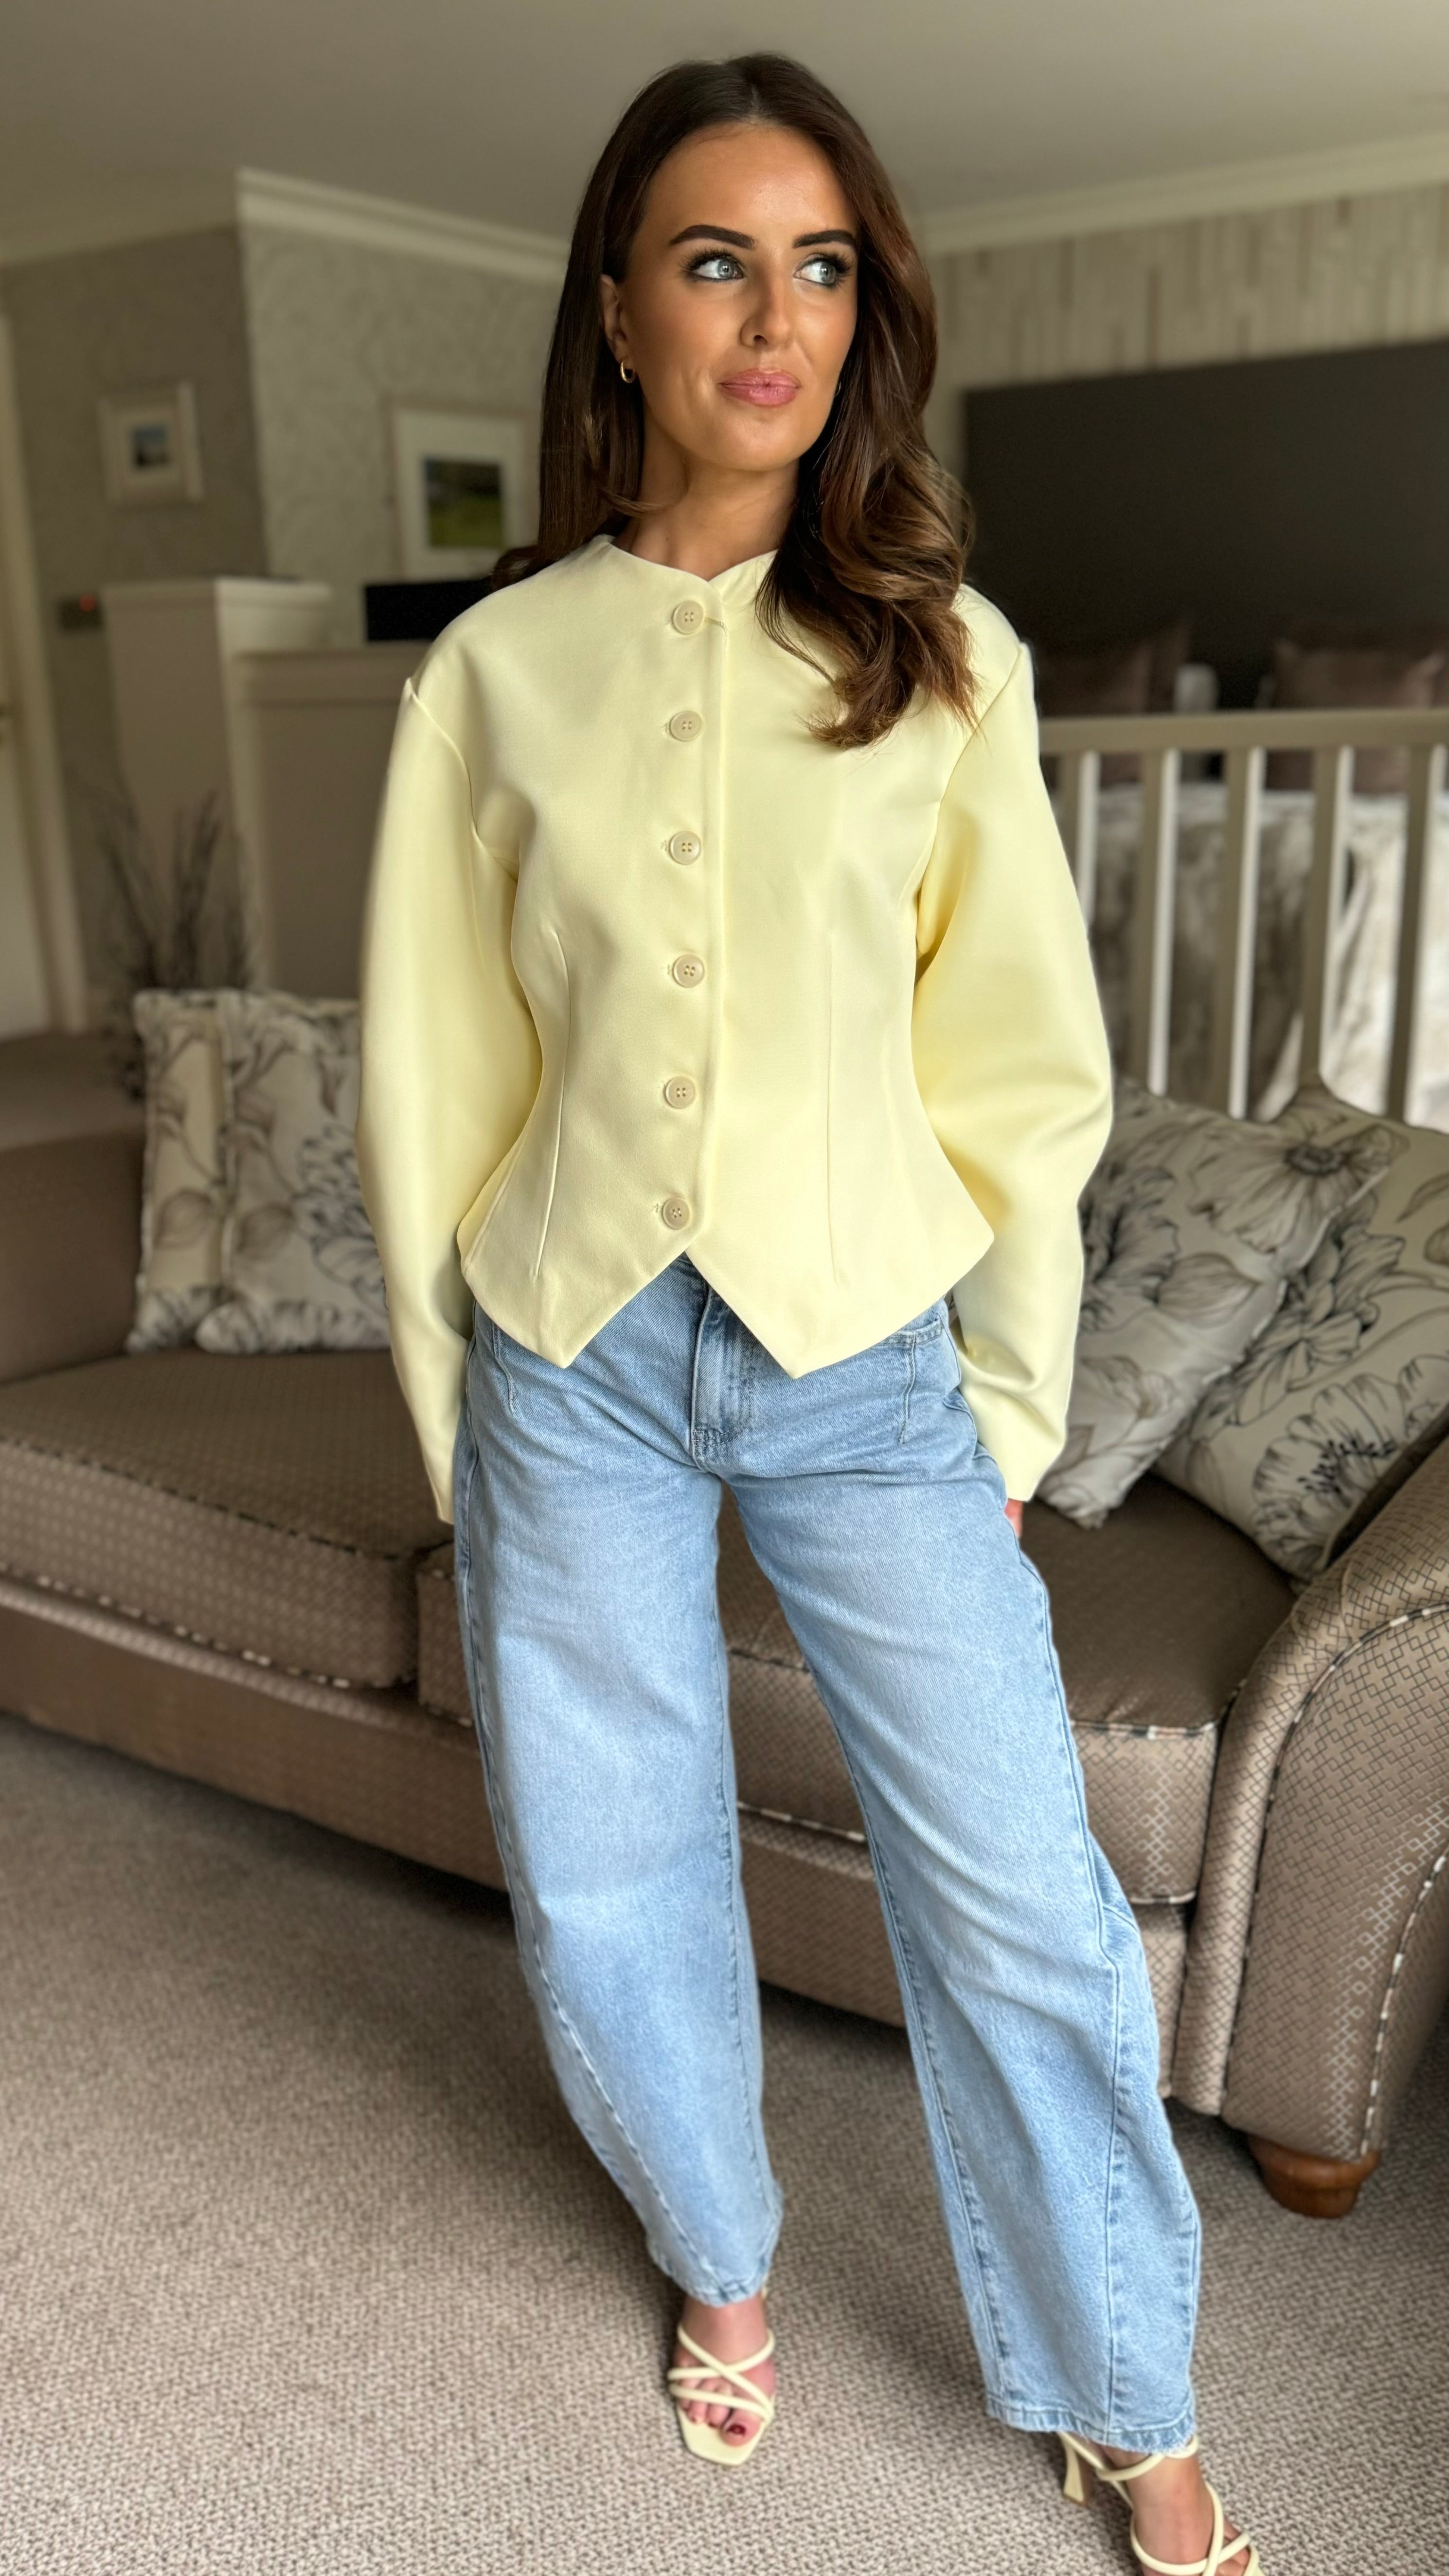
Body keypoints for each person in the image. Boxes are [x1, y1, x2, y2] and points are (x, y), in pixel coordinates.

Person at [356, 51, 1258, 2575]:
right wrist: (464, 1425)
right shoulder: (493, 672)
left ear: (868, 315)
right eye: (716, 261)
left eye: (822, 265)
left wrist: (1006, 1399)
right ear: (615, 316)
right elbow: (437, 1083)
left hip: (864, 1360)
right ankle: (719, 2261)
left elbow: (1024, 1073)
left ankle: (1122, 2387)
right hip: (570, 1363)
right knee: (609, 1860)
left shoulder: (942, 656)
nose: (775, 318)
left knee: (1020, 1893)